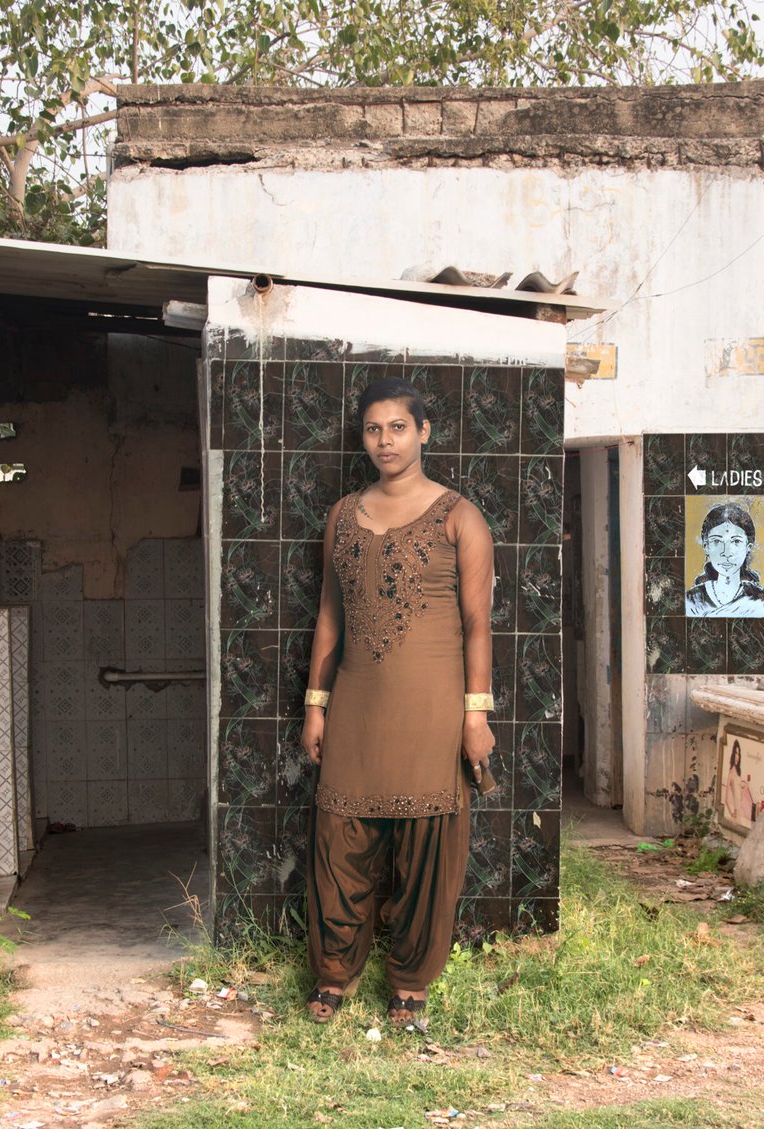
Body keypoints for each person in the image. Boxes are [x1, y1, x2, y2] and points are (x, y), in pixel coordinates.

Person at [299, 377, 496, 1027]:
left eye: (398, 427)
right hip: (356, 704)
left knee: (426, 849)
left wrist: (475, 715)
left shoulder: (460, 517)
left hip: (434, 710)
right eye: (373, 429)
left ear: (424, 432)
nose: (385, 441)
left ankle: (411, 981)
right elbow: (330, 616)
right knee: (341, 842)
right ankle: (335, 972)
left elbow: (478, 625)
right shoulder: (342, 516)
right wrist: (315, 705)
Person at [684, 502, 764, 618]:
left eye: (736, 541)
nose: (726, 553)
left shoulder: (762, 600)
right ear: (706, 546)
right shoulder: (691, 600)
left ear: (748, 548)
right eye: (717, 541)